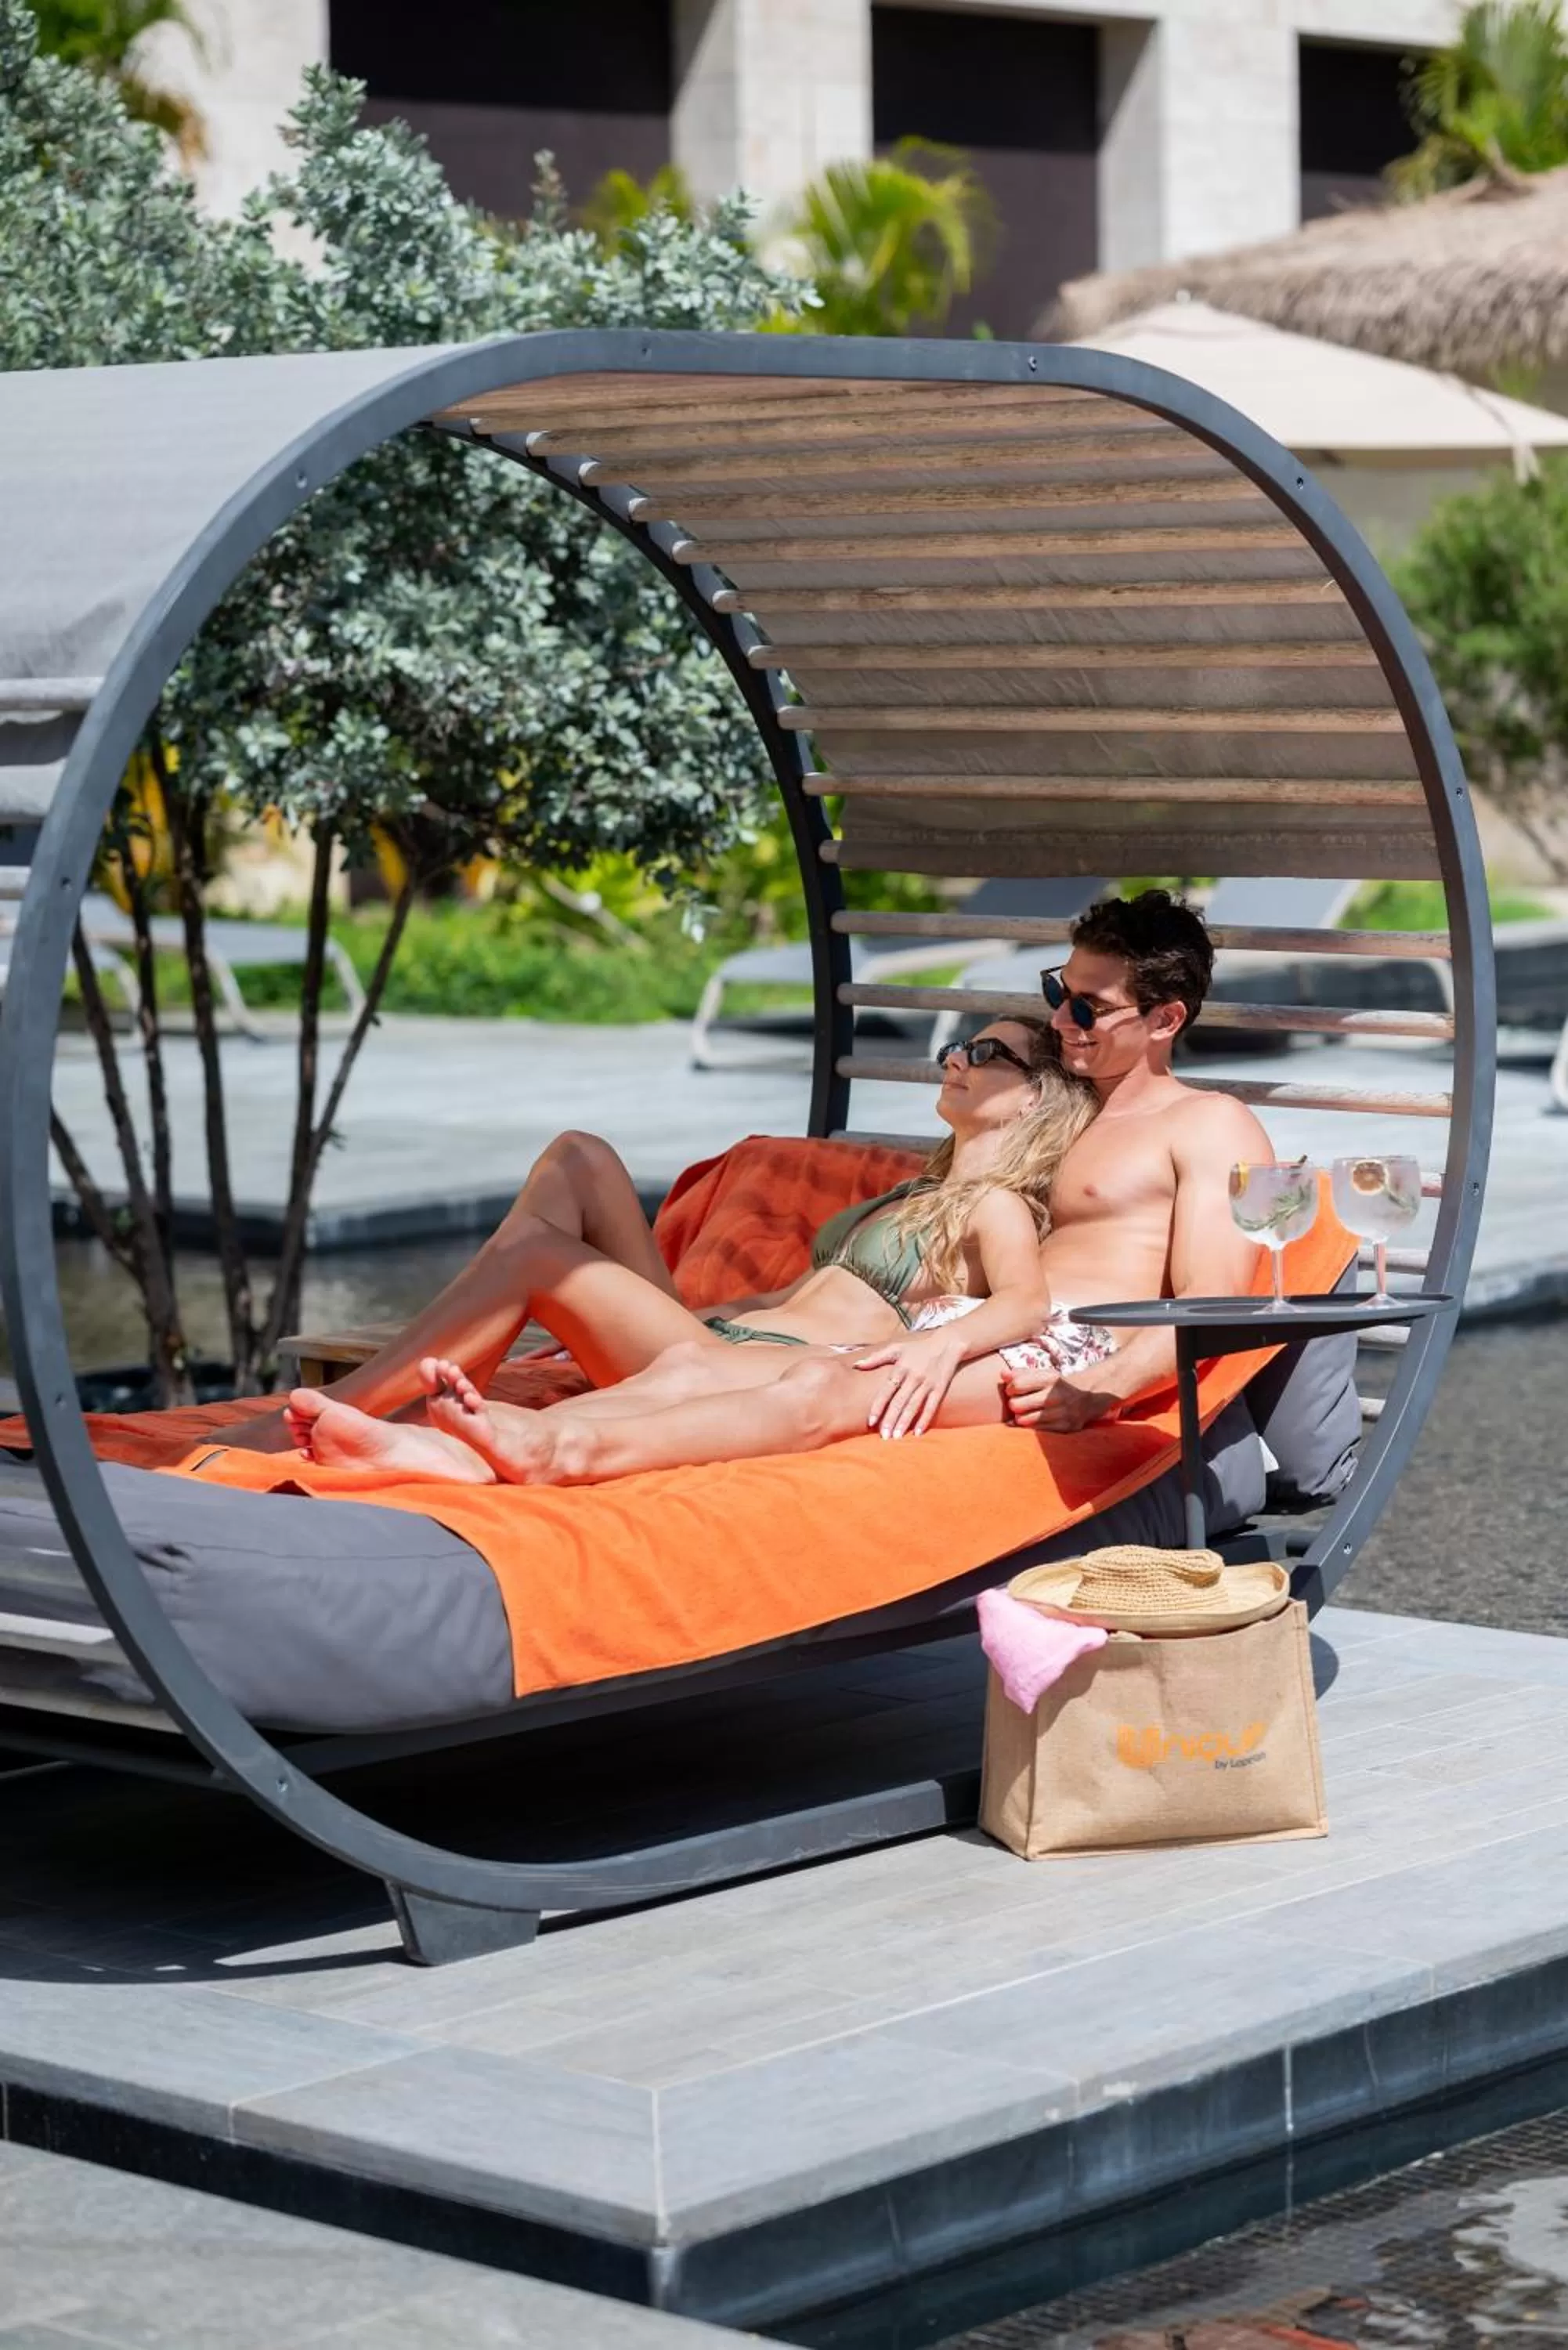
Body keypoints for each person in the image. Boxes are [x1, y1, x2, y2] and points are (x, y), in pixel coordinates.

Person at [246, 1018, 1100, 1484]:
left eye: (984, 1053)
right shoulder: (918, 1191)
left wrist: (938, 1345)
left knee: (538, 1257)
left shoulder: (996, 1206)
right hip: (720, 1341)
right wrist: (725, 1312)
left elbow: (1025, 1303)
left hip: (752, 1370)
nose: (955, 1056)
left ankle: (350, 1408)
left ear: (1034, 1099)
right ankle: (408, 1400)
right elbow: (811, 1293)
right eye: (955, 1045)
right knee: (579, 1156)